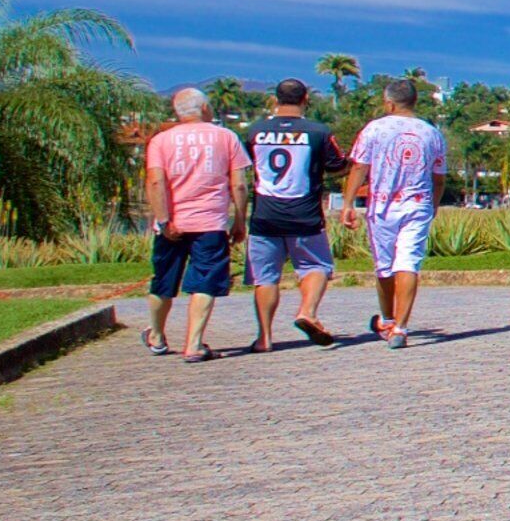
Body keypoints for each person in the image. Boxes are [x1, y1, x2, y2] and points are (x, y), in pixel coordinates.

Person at [141, 87, 250, 363]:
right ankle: (194, 343)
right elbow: (238, 183)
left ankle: (156, 334)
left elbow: (156, 181)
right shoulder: (226, 137)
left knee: (163, 280)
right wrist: (239, 220)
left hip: (172, 224)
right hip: (210, 222)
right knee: (205, 281)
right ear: (204, 109)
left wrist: (165, 220)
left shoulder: (160, 141)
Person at [242, 79, 348, 350]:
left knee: (265, 277)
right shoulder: (318, 132)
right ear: (305, 100)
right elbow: (337, 165)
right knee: (316, 266)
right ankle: (307, 311)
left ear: (275, 100)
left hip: (265, 214)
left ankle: (264, 337)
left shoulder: (255, 131)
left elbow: (245, 165)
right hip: (305, 215)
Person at [346, 75, 448, 347]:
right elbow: (439, 177)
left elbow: (359, 167)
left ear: (389, 104)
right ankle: (399, 326)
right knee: (408, 263)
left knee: (385, 266)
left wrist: (347, 204)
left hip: (382, 206)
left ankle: (390, 319)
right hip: (418, 204)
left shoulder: (374, 129)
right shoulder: (431, 133)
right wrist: (434, 204)